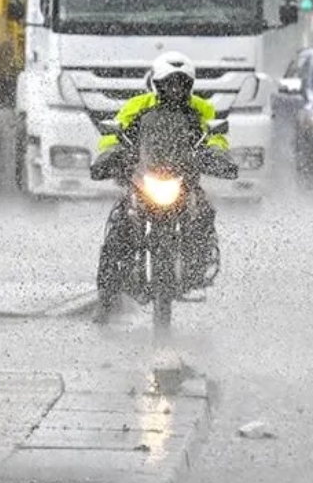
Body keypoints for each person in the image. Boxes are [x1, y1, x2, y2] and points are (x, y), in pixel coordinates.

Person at [89, 51, 236, 322]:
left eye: (181, 83)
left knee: (203, 214)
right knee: (120, 225)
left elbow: (215, 138)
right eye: (168, 83)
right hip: (145, 177)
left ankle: (197, 265)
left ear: (190, 85)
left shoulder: (202, 109)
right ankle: (107, 295)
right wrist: (109, 155)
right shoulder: (138, 105)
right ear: (156, 83)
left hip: (183, 181)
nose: (175, 88)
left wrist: (218, 156)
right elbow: (114, 134)